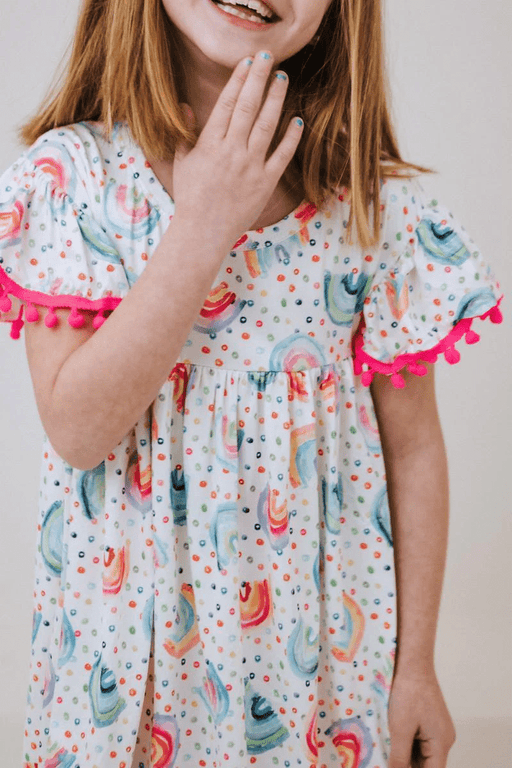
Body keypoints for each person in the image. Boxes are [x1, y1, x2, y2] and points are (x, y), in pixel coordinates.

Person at [0, 0, 504, 766]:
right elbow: (78, 429)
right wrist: (204, 223)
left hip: (322, 677)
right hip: (129, 670)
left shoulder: (371, 213)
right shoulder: (74, 180)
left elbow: (414, 452)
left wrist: (415, 669)